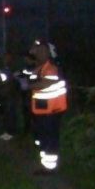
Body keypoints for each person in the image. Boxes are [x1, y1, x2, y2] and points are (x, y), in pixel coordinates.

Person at [28, 41, 67, 174]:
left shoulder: (51, 68)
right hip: (42, 109)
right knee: (44, 138)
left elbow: (44, 83)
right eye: (39, 51)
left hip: (52, 110)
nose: (39, 53)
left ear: (49, 53)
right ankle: (45, 165)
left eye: (42, 51)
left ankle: (49, 168)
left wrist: (29, 85)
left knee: (50, 139)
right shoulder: (40, 67)